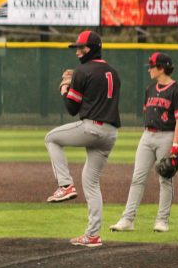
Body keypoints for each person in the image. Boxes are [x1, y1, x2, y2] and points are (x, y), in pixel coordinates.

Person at [45, 30, 121, 247]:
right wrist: (75, 80)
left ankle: (65, 185)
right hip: (111, 133)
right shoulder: (113, 73)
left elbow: (71, 108)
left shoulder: (82, 71)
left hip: (92, 128)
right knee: (91, 181)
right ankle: (93, 235)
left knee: (51, 138)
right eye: (76, 47)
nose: (78, 51)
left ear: (94, 48)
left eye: (82, 47)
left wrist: (65, 86)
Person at [110, 52, 178, 233]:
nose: (149, 70)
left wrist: (175, 146)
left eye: (152, 67)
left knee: (165, 179)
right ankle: (128, 219)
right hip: (147, 136)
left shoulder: (177, 91)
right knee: (137, 178)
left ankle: (162, 221)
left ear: (161, 68)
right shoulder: (150, 89)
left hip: (166, 136)